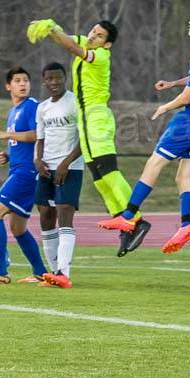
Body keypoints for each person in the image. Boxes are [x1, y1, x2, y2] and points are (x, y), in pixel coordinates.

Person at [98, 1, 190, 254]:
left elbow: (188, 96)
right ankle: (185, 225)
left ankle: (127, 216)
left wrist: (165, 107)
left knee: (154, 163)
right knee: (184, 176)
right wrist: (173, 83)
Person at [27, 18, 151, 255]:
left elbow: (73, 48)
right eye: (93, 30)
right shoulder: (88, 42)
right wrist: (49, 31)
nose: (93, 35)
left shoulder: (100, 56)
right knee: (98, 177)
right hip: (85, 120)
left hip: (96, 117)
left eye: (100, 35)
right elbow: (68, 39)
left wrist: (52, 27)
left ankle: (135, 218)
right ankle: (124, 224)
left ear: (108, 45)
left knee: (109, 171)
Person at [0, 67, 49, 285]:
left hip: (27, 173)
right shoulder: (13, 111)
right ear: (8, 86)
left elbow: (38, 135)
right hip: (19, 169)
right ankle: (40, 272)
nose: (23, 84)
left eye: (26, 80)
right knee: (18, 228)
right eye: (17, 81)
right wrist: (9, 153)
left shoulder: (31, 106)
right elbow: (23, 140)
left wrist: (7, 135)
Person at [33, 62, 84, 289]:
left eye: (58, 78)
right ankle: (53, 272)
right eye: (49, 79)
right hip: (46, 167)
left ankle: (64, 271)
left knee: (64, 213)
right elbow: (40, 138)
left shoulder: (75, 103)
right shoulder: (42, 107)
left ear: (65, 78)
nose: (54, 82)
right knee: (45, 214)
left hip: (70, 167)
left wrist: (66, 163)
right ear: (44, 81)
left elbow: (85, 139)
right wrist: (37, 159)